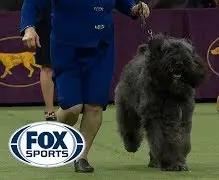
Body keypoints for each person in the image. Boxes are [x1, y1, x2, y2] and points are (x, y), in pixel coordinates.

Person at [20, 0, 150, 173]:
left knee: (94, 106)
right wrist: (29, 27)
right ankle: (54, 132)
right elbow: (32, 3)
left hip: (101, 49)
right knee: (72, 108)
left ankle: (81, 157)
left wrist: (135, 9)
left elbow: (124, 3)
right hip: (66, 48)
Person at [35, 4, 57, 121]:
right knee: (47, 65)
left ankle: (77, 105)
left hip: (77, 15)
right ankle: (50, 111)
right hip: (47, 15)